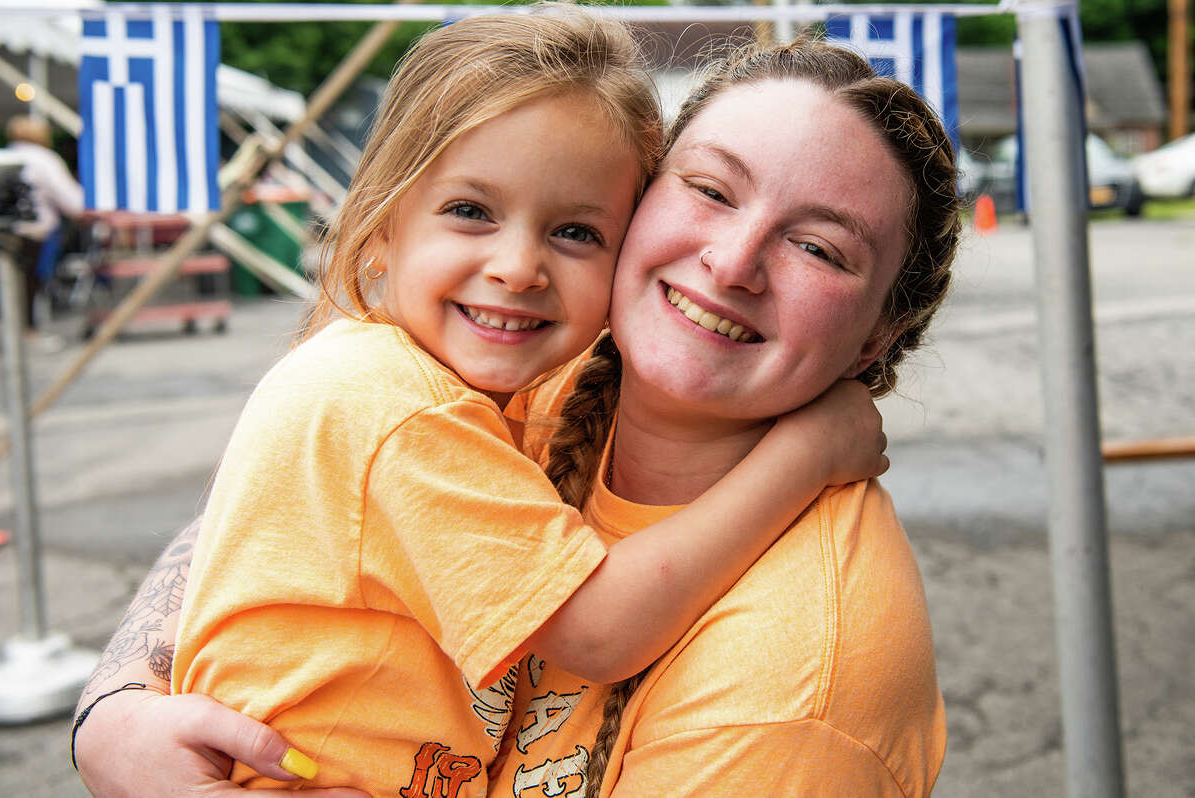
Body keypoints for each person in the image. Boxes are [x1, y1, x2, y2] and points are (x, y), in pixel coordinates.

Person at [72, 31, 959, 798]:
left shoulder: (801, 679)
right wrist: (114, 717)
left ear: (882, 333)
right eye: (712, 190)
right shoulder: (507, 368)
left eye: (818, 247)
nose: (731, 263)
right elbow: (253, 520)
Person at [2, 114, 84, 348]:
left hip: (5, 231)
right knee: (30, 283)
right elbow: (70, 199)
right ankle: (26, 332)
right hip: (33, 232)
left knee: (11, 284)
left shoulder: (4, 156)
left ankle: (12, 332)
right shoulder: (44, 159)